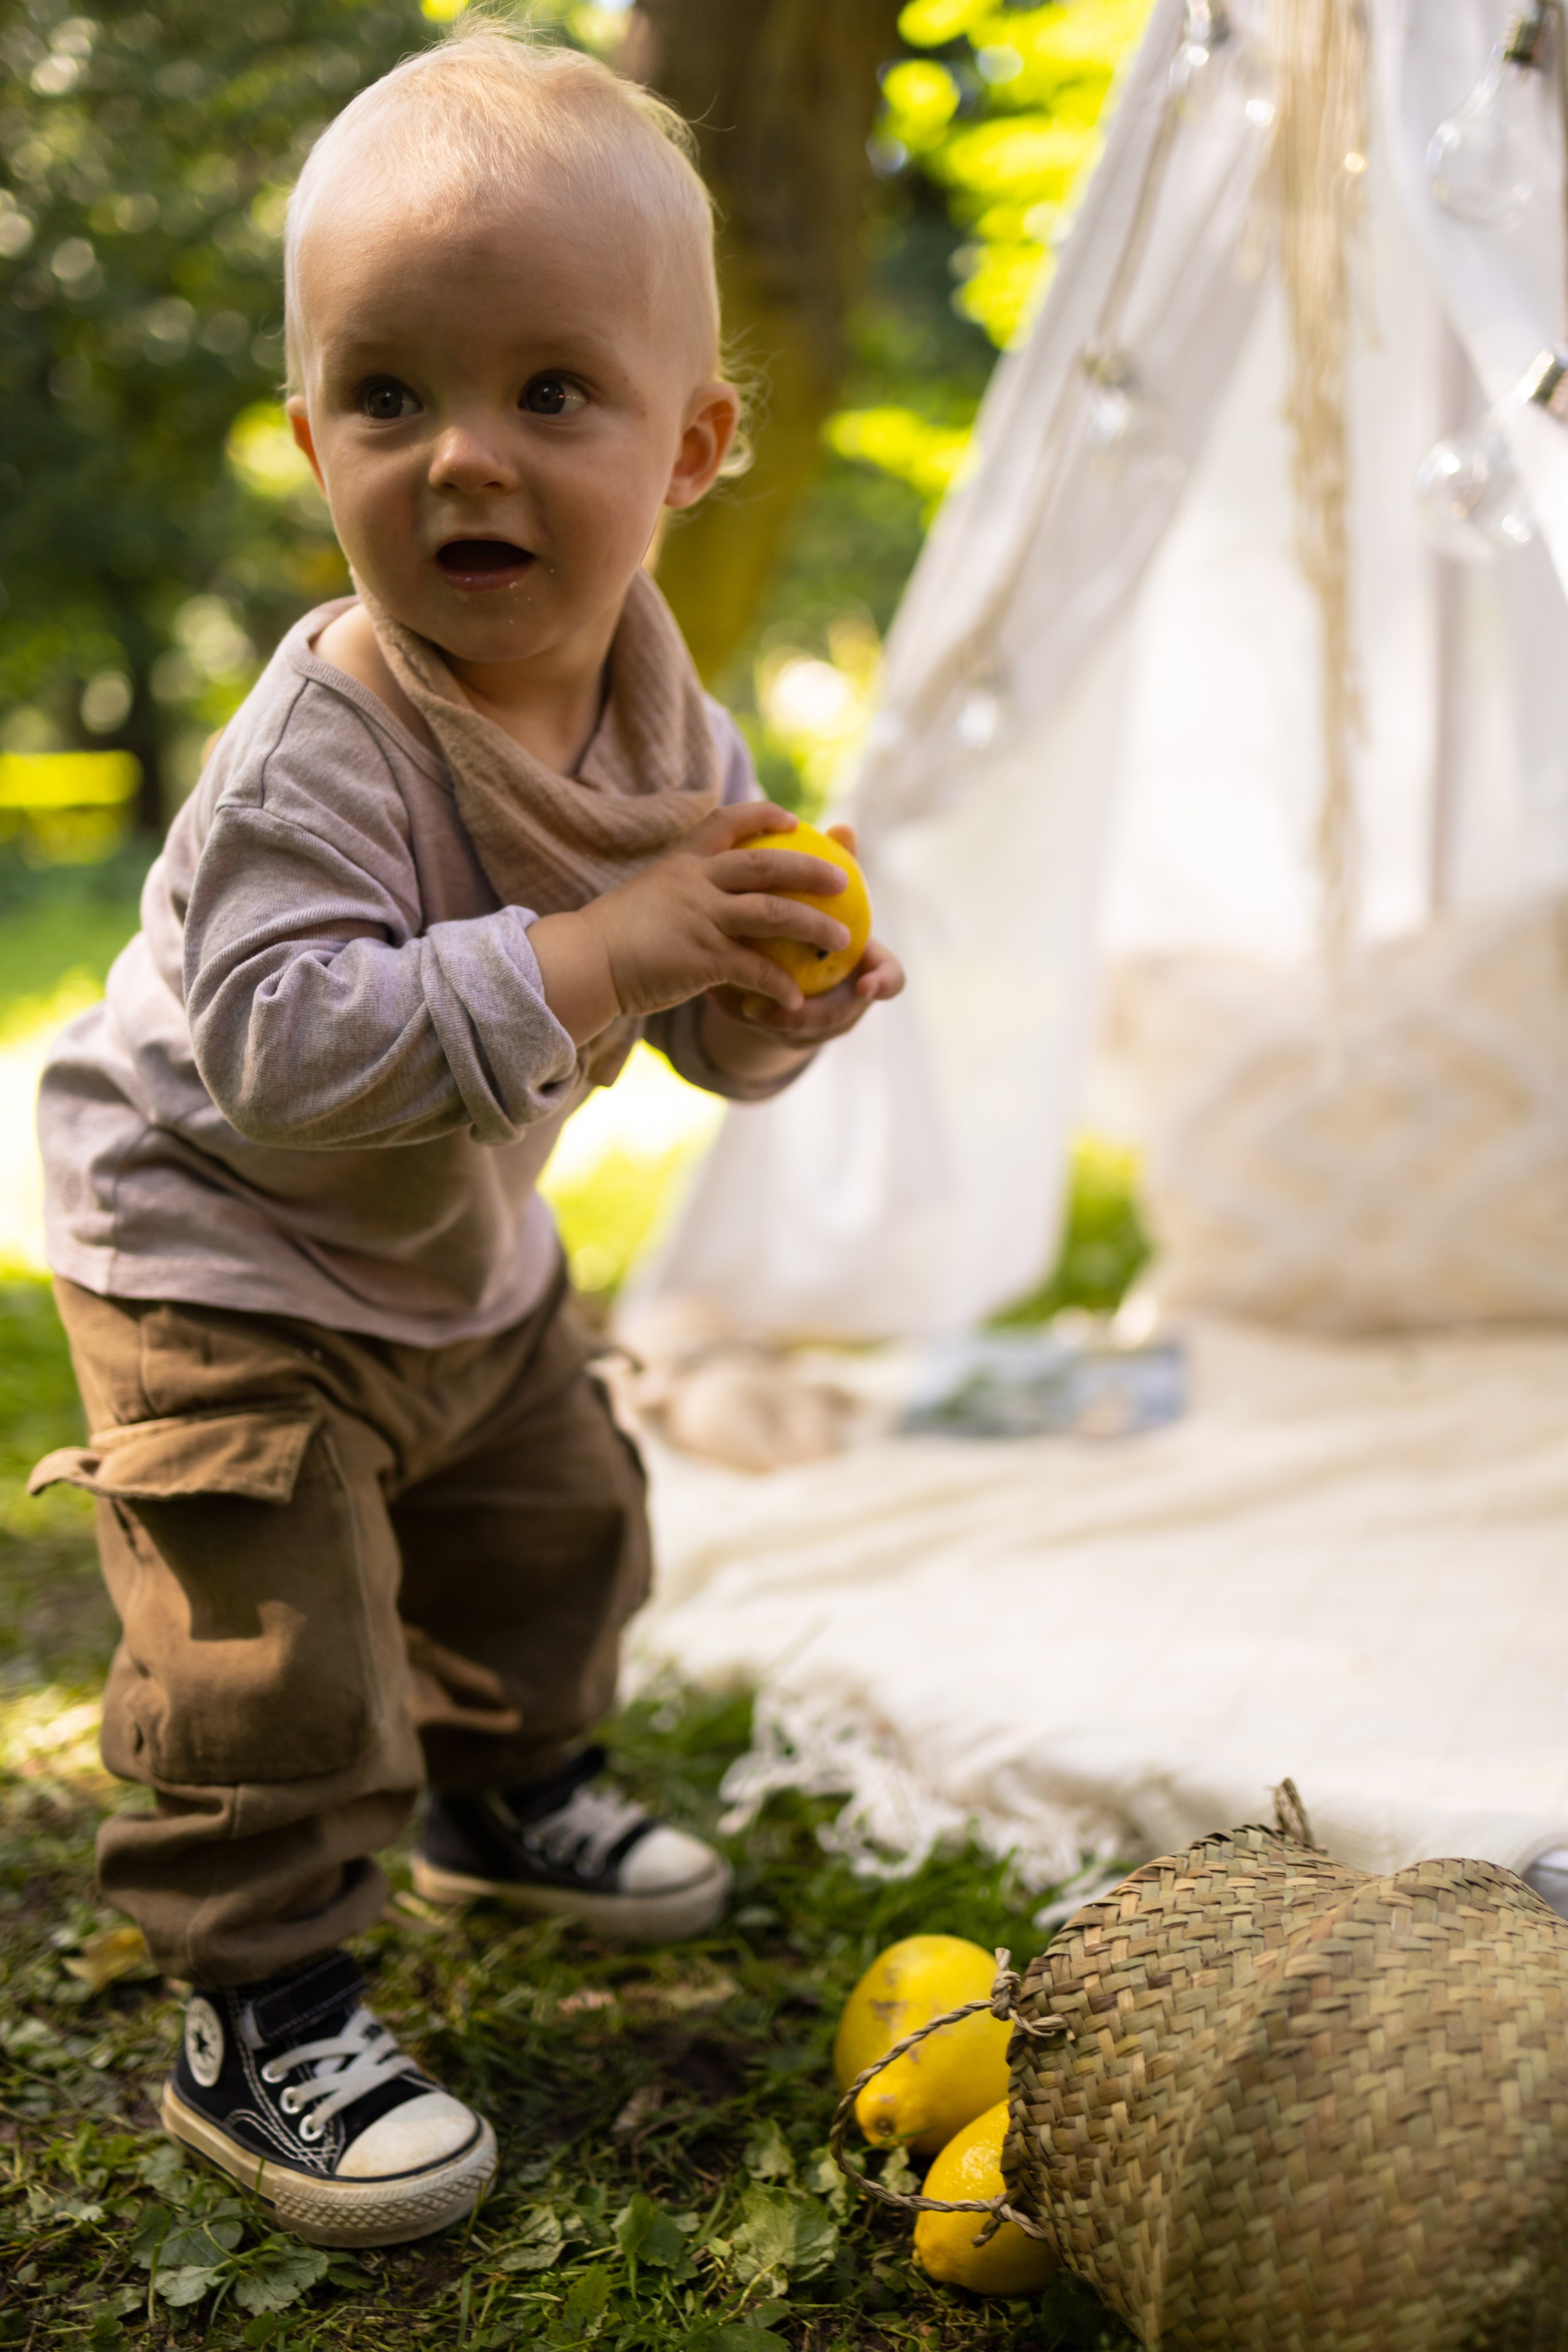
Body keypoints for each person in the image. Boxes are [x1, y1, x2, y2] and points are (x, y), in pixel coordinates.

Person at [29, 23, 903, 2250]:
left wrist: (758, 1008)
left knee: (556, 1518)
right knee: (275, 1642)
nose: (464, 459)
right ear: (312, 436)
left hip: (449, 1245)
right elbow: (277, 1047)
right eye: (392, 397)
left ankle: (506, 1798)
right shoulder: (320, 746)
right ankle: (259, 1996)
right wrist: (610, 946)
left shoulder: (664, 708)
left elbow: (679, 1024)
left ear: (691, 445)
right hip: (219, 1250)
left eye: (553, 392)